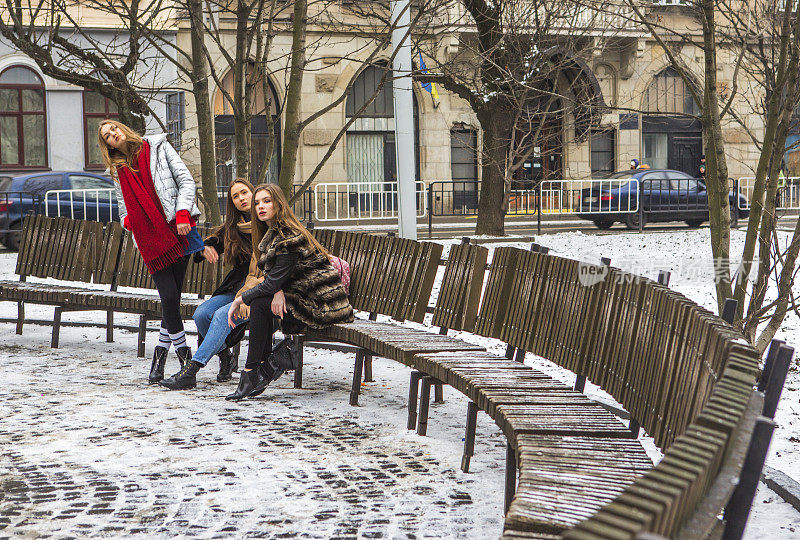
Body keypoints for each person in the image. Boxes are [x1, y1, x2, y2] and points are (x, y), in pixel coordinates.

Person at [223, 183, 354, 401]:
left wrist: (239, 299)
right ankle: (260, 370)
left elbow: (273, 282)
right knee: (262, 302)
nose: (260, 207)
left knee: (258, 303)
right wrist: (277, 291)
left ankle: (254, 372)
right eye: (257, 203)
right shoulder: (273, 233)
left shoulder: (288, 237)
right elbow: (275, 279)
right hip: (306, 296)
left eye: (267, 201)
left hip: (324, 304)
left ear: (279, 203)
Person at [98, 120, 204, 384]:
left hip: (177, 230)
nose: (113, 135)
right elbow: (123, 209)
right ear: (107, 144)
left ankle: (158, 361)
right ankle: (184, 360)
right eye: (107, 136)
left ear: (122, 128)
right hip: (149, 241)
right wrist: (131, 222)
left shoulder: (157, 147)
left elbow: (186, 181)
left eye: (114, 129)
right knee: (169, 298)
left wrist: (182, 213)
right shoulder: (117, 171)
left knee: (171, 301)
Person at [160, 179, 256, 390]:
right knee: (201, 314)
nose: (241, 199)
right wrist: (205, 248)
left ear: (253, 192)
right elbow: (214, 240)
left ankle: (191, 370)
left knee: (223, 315)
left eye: (244, 193)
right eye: (235, 196)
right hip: (235, 287)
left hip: (260, 290)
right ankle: (225, 357)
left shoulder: (267, 220)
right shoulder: (234, 227)